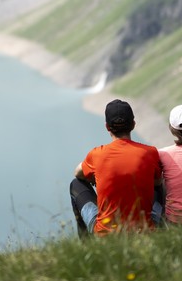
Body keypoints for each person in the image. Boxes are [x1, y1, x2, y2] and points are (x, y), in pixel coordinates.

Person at [69, 99, 163, 236]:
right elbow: (158, 182)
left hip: (106, 235)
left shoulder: (97, 154)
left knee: (76, 184)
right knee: (159, 184)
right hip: (144, 232)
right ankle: (163, 230)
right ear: (133, 124)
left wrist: (97, 177)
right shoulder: (150, 153)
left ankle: (87, 246)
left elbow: (77, 173)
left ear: (107, 127)